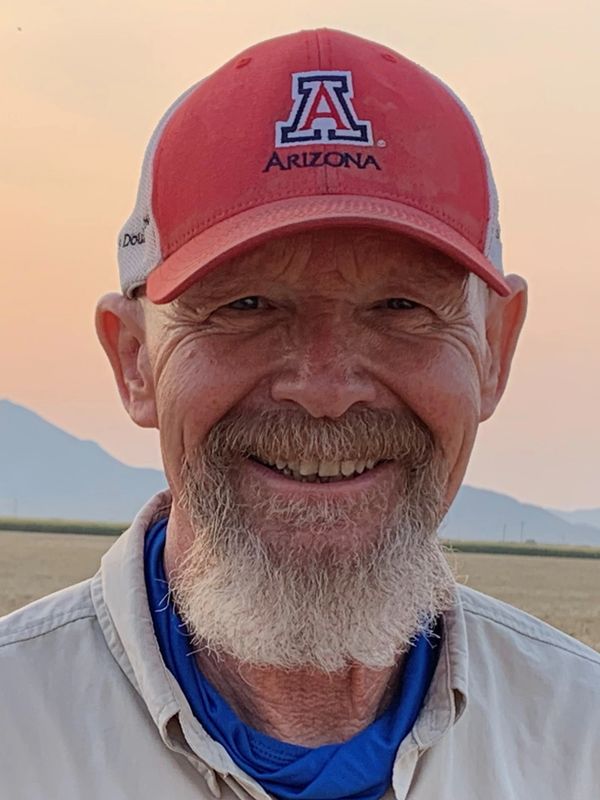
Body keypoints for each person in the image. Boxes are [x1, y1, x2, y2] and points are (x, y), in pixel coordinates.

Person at [0, 28, 598, 800]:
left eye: (400, 306)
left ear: (494, 351)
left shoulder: (580, 742)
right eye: (246, 305)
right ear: (135, 361)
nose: (324, 388)